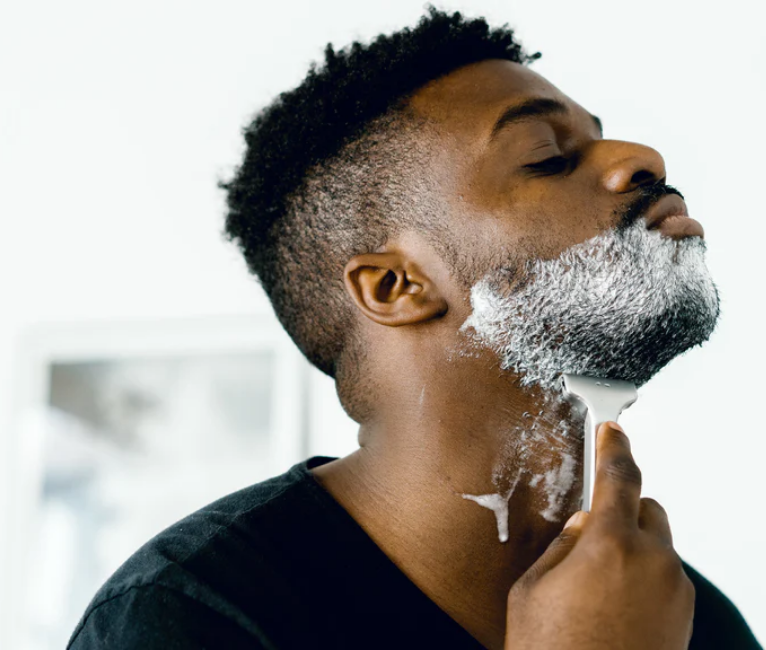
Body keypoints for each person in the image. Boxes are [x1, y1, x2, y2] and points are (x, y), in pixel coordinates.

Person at [66, 8, 761, 649]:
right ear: (397, 287)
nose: (642, 158)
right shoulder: (190, 615)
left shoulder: (691, 621)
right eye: (548, 156)